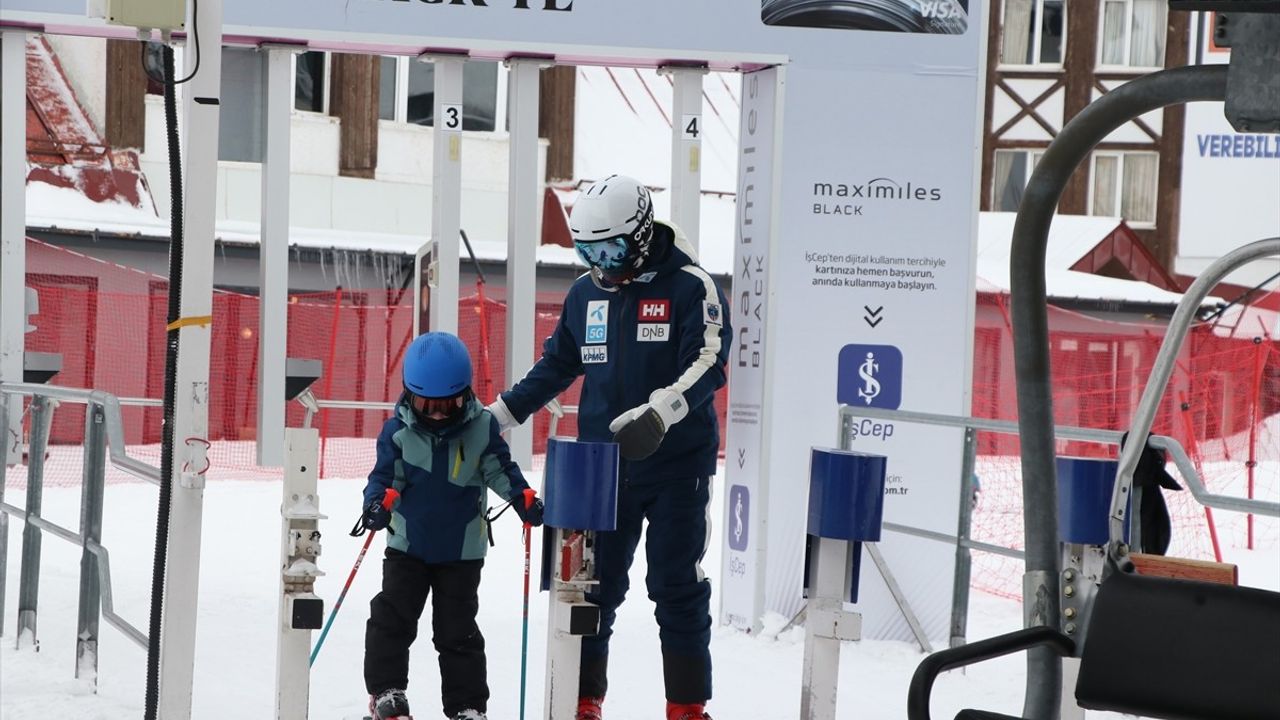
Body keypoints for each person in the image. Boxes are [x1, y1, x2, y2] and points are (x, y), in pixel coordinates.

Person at [488, 175, 732, 720]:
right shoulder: (586, 293)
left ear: (642, 233)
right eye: (588, 250)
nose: (603, 261)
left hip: (675, 468)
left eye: (613, 248)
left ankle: (687, 706)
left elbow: (710, 362)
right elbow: (557, 363)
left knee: (675, 586)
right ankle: (583, 699)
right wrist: (502, 415)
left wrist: (661, 410)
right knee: (590, 590)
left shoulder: (691, 287)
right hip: (604, 470)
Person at [360, 331, 544, 720]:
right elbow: (383, 479)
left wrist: (521, 497)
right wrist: (376, 505)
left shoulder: (480, 428)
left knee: (457, 633)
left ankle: (467, 707)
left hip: (461, 552)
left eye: (450, 403)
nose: (440, 413)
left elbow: (499, 469)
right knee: (391, 620)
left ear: (465, 393)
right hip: (407, 547)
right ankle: (387, 692)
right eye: (429, 404)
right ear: (411, 395)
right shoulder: (398, 433)